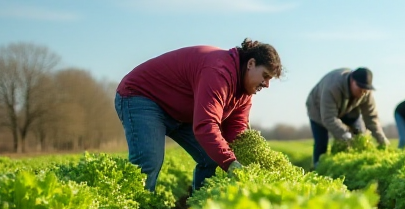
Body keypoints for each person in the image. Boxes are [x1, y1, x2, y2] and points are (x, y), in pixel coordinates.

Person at [115, 38, 282, 191]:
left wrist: (246, 158)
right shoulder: (218, 71)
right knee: (149, 162)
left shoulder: (244, 93)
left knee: (212, 158)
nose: (267, 84)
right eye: (265, 76)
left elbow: (235, 131)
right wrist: (230, 163)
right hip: (143, 97)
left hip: (179, 112)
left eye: (270, 80)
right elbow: (206, 125)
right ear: (251, 63)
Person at [305, 67, 389, 166]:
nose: (363, 92)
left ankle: (355, 165)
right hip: (318, 110)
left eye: (365, 89)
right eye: (360, 88)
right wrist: (347, 136)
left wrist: (381, 139)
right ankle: (318, 167)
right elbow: (329, 118)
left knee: (360, 136)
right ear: (352, 81)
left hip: (348, 110)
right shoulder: (332, 87)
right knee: (322, 142)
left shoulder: (365, 92)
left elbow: (371, 117)